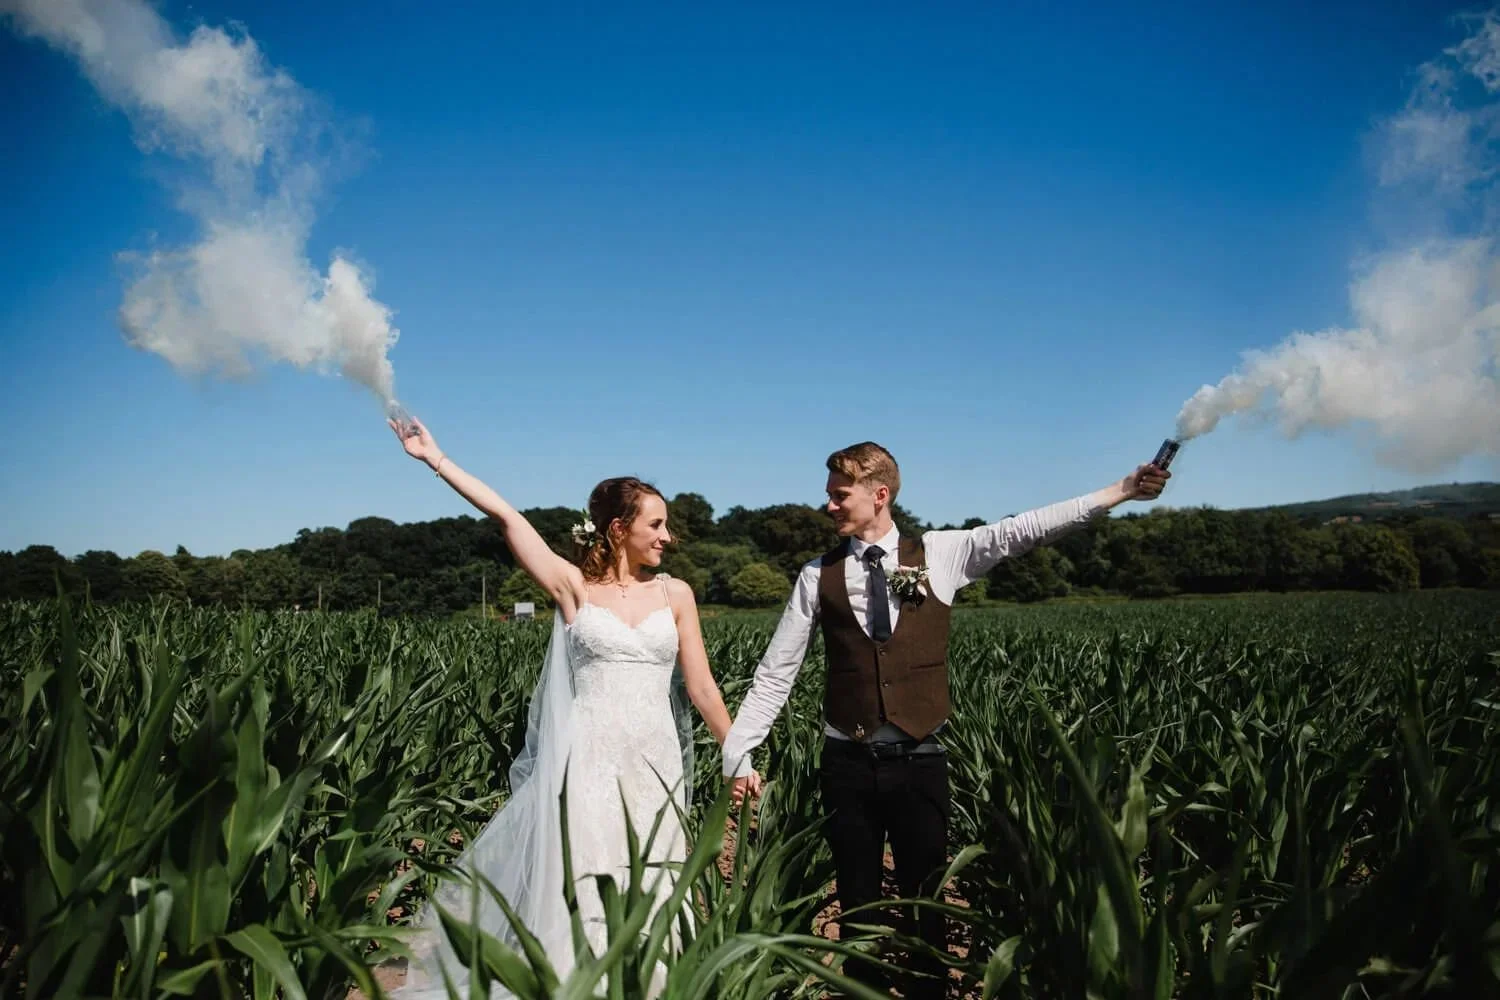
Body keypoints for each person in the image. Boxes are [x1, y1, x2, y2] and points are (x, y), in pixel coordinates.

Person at [721, 441, 1170, 998]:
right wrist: (737, 751)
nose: (829, 506)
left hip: (920, 760)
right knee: (857, 901)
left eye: (840, 495)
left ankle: (930, 989)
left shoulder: (943, 552)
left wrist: (1122, 491)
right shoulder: (817, 576)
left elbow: (1027, 529)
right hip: (847, 765)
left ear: (879, 494)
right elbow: (775, 674)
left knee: (927, 895)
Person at [387, 415, 761, 998]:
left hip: (655, 763)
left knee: (657, 878)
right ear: (619, 528)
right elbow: (509, 519)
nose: (669, 536)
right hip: (585, 761)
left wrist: (736, 757)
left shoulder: (676, 594)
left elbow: (704, 689)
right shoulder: (573, 589)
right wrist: (436, 458)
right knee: (583, 879)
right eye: (656, 524)